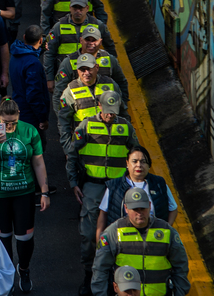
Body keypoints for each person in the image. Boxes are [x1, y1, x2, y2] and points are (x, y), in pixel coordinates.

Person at [0, 98, 50, 293]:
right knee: (3, 236)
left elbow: (38, 162)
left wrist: (44, 191)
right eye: (5, 123)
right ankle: (6, 276)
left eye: (13, 122)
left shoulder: (29, 131)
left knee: (25, 237)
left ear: (19, 115)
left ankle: (23, 269)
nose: (9, 127)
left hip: (23, 192)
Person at [68, 92, 139, 293]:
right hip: (92, 187)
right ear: (99, 106)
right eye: (107, 111)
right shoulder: (86, 126)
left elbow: (137, 155)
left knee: (120, 234)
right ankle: (89, 275)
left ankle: (114, 277)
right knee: (89, 234)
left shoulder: (125, 127)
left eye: (113, 111)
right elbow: (72, 154)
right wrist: (73, 182)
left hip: (119, 189)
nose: (110, 115)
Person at [91, 188, 190, 296]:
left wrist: (179, 292)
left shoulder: (167, 231)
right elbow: (100, 268)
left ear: (149, 205)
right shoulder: (113, 232)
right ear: (126, 208)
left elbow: (181, 266)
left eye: (143, 208)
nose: (139, 213)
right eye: (135, 209)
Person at [97, 145, 178, 238]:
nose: (139, 165)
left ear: (149, 165)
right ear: (127, 163)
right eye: (134, 161)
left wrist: (165, 230)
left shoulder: (159, 184)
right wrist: (100, 241)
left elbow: (173, 209)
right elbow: (103, 214)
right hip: (121, 240)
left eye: (143, 162)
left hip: (153, 239)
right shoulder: (114, 186)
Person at [9, 26, 51, 149]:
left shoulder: (15, 54)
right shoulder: (33, 64)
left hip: (18, 109)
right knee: (36, 149)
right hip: (31, 116)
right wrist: (42, 118)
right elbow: (34, 94)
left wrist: (40, 51)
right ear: (41, 41)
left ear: (24, 37)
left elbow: (27, 57)